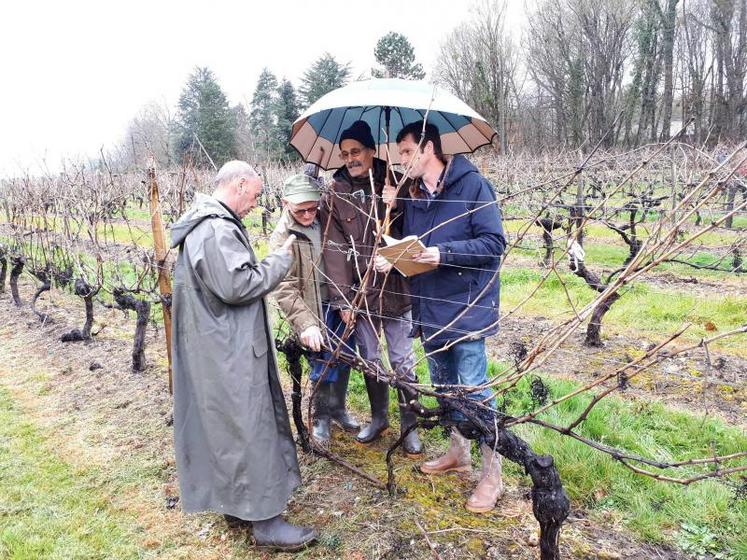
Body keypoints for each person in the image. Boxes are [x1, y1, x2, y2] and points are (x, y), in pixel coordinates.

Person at [170, 161, 317, 551]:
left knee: (227, 430)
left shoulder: (204, 225)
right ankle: (266, 521)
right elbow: (240, 285)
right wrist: (280, 260)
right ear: (238, 185)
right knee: (249, 428)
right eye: (253, 195)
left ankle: (237, 504)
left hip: (215, 347)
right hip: (228, 353)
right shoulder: (216, 228)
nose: (255, 204)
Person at [382, 121, 507, 513]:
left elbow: (493, 243)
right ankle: (459, 452)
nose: (401, 161)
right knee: (445, 387)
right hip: (430, 307)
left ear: (428, 148)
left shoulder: (472, 186)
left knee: (474, 391)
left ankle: (493, 474)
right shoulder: (415, 194)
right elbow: (414, 247)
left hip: (467, 307)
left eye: (405, 152)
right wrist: (393, 227)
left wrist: (444, 254)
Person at [320, 120, 422, 455]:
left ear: (371, 151)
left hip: (396, 287)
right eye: (345, 153)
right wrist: (343, 299)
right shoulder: (336, 191)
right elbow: (333, 250)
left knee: (403, 358)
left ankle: (411, 425)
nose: (350, 158)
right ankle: (380, 418)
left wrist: (401, 200)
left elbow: (419, 233)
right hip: (359, 293)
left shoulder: (399, 181)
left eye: (357, 151)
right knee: (369, 357)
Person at [269, 173, 359, 445]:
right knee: (322, 363)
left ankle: (338, 410)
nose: (309, 214)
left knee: (344, 356)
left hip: (339, 301)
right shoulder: (282, 237)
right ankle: (320, 416)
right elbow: (283, 287)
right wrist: (306, 324)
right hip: (312, 308)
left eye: (313, 207)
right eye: (301, 210)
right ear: (285, 203)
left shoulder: (328, 219)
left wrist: (347, 301)